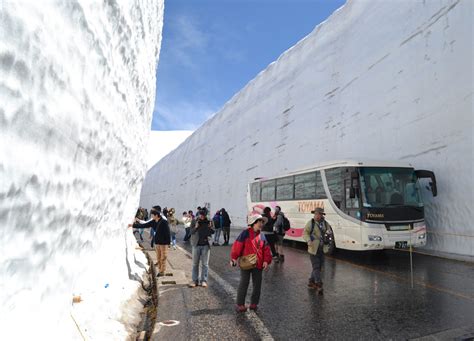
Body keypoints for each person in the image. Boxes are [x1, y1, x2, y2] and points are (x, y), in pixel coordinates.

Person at [230, 214, 272, 312]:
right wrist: (234, 258)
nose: (261, 224)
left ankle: (254, 304)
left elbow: (266, 249)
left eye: (262, 222)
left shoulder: (262, 235)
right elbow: (237, 246)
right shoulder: (245, 233)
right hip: (246, 263)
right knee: (244, 283)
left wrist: (266, 260)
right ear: (253, 223)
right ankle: (240, 304)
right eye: (259, 222)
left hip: (258, 264)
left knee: (257, 285)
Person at [133, 207, 171, 277]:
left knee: (163, 257)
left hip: (164, 243)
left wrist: (168, 243)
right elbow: (144, 225)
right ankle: (160, 270)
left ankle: (162, 271)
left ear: (156, 215)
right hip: (157, 242)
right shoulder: (153, 222)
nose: (151, 217)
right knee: (158, 257)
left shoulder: (163, 222)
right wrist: (133, 225)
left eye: (152, 215)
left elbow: (168, 233)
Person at [302, 207, 332, 295]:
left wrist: (328, 240)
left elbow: (329, 234)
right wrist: (308, 240)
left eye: (319, 214)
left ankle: (311, 281)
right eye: (316, 214)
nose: (317, 215)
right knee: (316, 267)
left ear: (322, 215)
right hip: (313, 249)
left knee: (319, 267)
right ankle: (319, 284)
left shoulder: (326, 224)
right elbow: (305, 233)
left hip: (322, 249)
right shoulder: (311, 223)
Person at [189, 209, 214, 288]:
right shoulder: (194, 221)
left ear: (206, 215)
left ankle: (203, 280)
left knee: (205, 264)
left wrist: (210, 227)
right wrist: (196, 227)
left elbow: (213, 231)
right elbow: (191, 232)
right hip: (196, 245)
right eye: (200, 215)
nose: (202, 217)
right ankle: (194, 280)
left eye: (203, 215)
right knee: (195, 264)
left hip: (206, 245)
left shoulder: (210, 221)